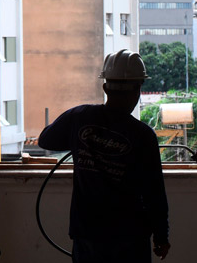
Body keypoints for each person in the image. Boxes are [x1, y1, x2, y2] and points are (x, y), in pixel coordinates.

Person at [37, 49, 170, 263]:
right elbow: (155, 193)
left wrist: (80, 140)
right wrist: (161, 236)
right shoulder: (143, 136)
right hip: (130, 238)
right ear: (138, 89)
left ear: (105, 87)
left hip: (88, 234)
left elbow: (46, 140)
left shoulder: (80, 117)